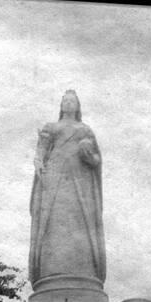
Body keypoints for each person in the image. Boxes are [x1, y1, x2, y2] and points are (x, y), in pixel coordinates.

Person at [28, 90, 106, 286]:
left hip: (80, 182)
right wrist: (38, 161)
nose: (69, 103)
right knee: (54, 221)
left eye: (73, 101)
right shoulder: (51, 127)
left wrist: (88, 153)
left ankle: (83, 270)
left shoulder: (85, 130)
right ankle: (51, 271)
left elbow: (96, 160)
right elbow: (41, 150)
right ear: (61, 105)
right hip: (54, 180)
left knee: (80, 224)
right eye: (65, 100)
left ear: (78, 106)